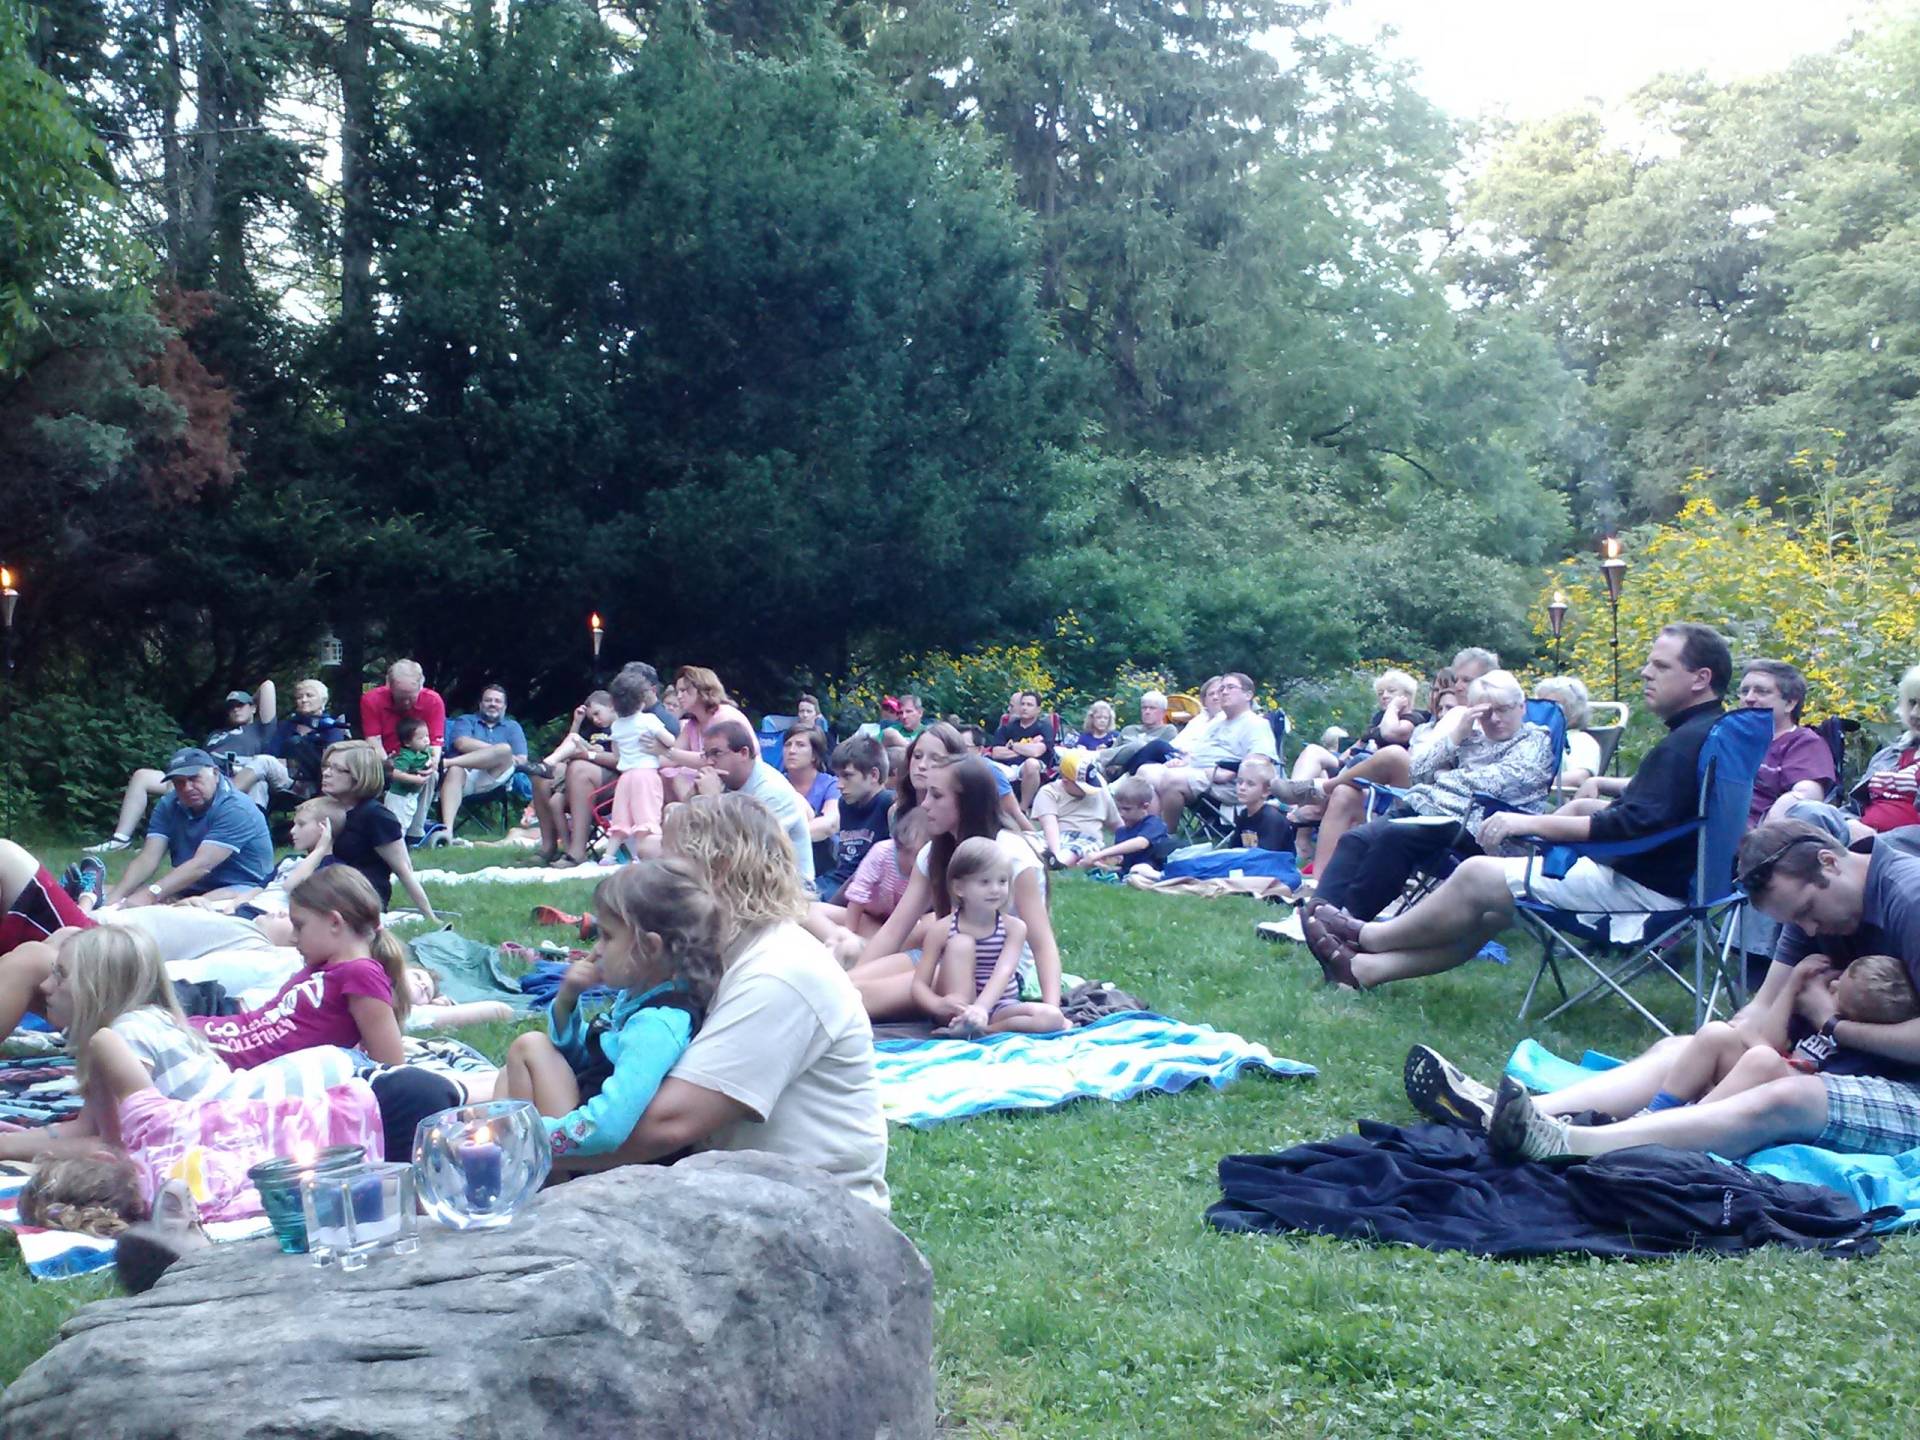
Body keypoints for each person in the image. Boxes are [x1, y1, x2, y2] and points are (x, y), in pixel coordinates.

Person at [1460, 820, 1920, 1164]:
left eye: (1808, 913)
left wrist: (1833, 1023)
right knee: (1693, 1045)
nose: (1810, 929)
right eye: (1797, 921)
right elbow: (1757, 1020)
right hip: (1838, 1064)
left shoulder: (1909, 899)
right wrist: (1721, 1049)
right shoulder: (1809, 903)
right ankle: (1510, 1112)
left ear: (1829, 862)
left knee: (1788, 1098)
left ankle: (1580, 1145)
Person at [1302, 625, 1733, 991]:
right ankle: (1362, 969)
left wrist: (1530, 822)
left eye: (1660, 666)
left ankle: (1365, 936)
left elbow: (1631, 823)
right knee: (1487, 909)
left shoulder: (1685, 743)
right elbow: (1655, 813)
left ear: (1700, 678)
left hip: (1638, 890)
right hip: (1669, 882)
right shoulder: (1711, 733)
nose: (1645, 672)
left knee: (1475, 875)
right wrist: (1582, 804)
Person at [550, 793, 888, 1211]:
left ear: (719, 870)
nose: (653, 876)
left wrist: (528, 1148)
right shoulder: (725, 956)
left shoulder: (779, 973)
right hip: (744, 1194)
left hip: (811, 1214)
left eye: (670, 866)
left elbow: (667, 1124)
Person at [0, 925, 362, 1164]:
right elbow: (89, 1128)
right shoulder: (142, 1022)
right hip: (319, 1075)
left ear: (99, 988)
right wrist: (28, 1138)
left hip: (323, 1085)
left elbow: (115, 1152)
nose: (45, 987)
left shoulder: (125, 1038)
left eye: (60, 975)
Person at [497, 859, 720, 1159]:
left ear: (650, 948)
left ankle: (517, 1161)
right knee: (512, 1068)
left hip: (599, 1161)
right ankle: (509, 1159)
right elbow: (586, 1059)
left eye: (608, 936)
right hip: (581, 1127)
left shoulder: (657, 1025)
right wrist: (567, 1000)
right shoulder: (638, 997)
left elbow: (608, 1127)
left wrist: (533, 1137)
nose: (597, 950)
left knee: (530, 1048)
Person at [1300, 670, 1557, 925]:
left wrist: (1445, 777)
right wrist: (1456, 736)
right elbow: (1418, 772)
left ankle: (1347, 923)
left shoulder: (1535, 742)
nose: (1496, 719)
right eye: (1487, 713)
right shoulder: (1471, 738)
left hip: (1484, 827)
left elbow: (1497, 783)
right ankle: (1314, 917)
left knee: (1395, 838)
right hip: (1432, 812)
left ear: (1521, 707)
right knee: (1355, 839)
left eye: (1504, 710)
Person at [852, 756, 1066, 1023]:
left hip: (990, 975)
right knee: (843, 985)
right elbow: (895, 929)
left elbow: (1042, 942)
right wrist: (858, 972)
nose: (925, 805)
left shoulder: (1011, 854)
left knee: (854, 999)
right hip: (943, 958)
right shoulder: (934, 852)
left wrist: (1053, 1009)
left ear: (967, 803)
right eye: (926, 794)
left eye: (937, 796)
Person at [194, 867, 410, 1070]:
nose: (293, 937)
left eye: (300, 926)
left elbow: (391, 1067)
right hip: (221, 1039)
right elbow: (264, 1023)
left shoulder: (362, 973)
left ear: (335, 922)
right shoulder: (320, 969)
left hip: (229, 1061)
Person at [87, 684, 279, 852]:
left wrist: (252, 703)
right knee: (142, 776)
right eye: (231, 706)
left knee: (183, 785)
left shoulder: (261, 730)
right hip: (196, 777)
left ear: (253, 707)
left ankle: (168, 843)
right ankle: (120, 839)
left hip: (232, 781)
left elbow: (268, 686)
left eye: (241, 705)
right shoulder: (216, 734)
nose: (236, 709)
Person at [912, 837, 1065, 1037]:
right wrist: (937, 1004)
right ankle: (963, 1024)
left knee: (1052, 1016)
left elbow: (1004, 970)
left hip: (999, 1007)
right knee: (961, 943)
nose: (995, 889)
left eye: (1002, 881)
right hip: (957, 1008)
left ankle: (985, 1031)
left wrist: (982, 1009)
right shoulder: (942, 929)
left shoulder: (1014, 928)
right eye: (984, 882)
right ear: (959, 888)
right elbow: (919, 985)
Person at [101, 749, 276, 908]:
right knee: (120, 895)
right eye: (179, 782)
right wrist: (114, 899)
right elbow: (148, 858)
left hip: (244, 887)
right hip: (191, 885)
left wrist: (152, 893)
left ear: (215, 773)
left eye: (194, 778)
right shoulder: (168, 804)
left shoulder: (236, 808)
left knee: (184, 907)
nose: (187, 788)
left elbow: (202, 865)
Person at [315, 740, 441, 922]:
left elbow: (404, 870)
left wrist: (430, 918)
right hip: (330, 889)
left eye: (336, 769)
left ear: (360, 775)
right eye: (326, 767)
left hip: (361, 898)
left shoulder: (376, 816)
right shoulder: (327, 808)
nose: (326, 773)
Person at [1137, 673, 1278, 828]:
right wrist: (1184, 761)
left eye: (1230, 687)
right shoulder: (1218, 721)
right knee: (1145, 771)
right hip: (1196, 771)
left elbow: (1259, 763)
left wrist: (1227, 773)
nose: (1223, 692)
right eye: (1222, 688)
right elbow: (1200, 750)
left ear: (1248, 695)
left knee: (1172, 779)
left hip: (1226, 783)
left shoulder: (1255, 724)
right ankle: (1150, 830)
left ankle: (1166, 834)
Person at [696, 719, 816, 884]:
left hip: (787, 888)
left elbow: (746, 854)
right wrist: (695, 795)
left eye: (716, 753)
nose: (709, 762)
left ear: (744, 753)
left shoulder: (771, 791)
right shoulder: (724, 781)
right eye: (706, 754)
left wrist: (712, 801)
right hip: (744, 882)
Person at [1739, 660, 1836, 826]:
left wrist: (1768, 829)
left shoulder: (1803, 743)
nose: (1749, 698)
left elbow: (1808, 794)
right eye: (1744, 691)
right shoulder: (1728, 737)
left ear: (1790, 703)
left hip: (1759, 836)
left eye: (1761, 692)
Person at [526, 690, 617, 863]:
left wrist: (593, 753)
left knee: (576, 767)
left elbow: (619, 757)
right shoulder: (593, 730)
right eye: (592, 717)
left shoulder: (619, 728)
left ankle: (574, 852)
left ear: (612, 706)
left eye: (598, 713)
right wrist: (577, 721)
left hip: (604, 780)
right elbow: (572, 740)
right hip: (580, 774)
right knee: (542, 780)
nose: (596, 720)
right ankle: (550, 848)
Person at [600, 669, 678, 866]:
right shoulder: (649, 720)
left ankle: (608, 855)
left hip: (626, 777)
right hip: (647, 775)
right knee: (647, 817)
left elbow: (617, 756)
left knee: (622, 817)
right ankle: (642, 855)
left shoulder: (617, 726)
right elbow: (670, 740)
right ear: (642, 699)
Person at [360, 660, 447, 839]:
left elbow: (435, 742)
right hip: (384, 757)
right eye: (400, 697)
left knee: (431, 775)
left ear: (421, 686)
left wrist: (431, 762)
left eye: (411, 697)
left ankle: (415, 832)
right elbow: (373, 740)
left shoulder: (433, 701)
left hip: (418, 757)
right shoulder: (371, 699)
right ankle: (387, 830)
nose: (406, 703)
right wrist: (389, 765)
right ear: (388, 684)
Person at [238, 677, 351, 802]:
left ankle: (228, 794)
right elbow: (272, 754)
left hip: (313, 783)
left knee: (263, 762)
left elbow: (331, 762)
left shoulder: (332, 728)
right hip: (285, 777)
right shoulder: (287, 726)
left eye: (309, 695)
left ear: (323, 700)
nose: (303, 700)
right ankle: (254, 820)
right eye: (299, 697)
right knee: (258, 783)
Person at [654, 666, 756, 804]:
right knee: (663, 775)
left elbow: (713, 760)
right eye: (678, 691)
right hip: (714, 779)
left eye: (684, 691)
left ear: (703, 690)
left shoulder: (724, 716)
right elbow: (671, 760)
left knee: (679, 777)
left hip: (736, 782)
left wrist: (667, 751)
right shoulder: (693, 723)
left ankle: (693, 818)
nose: (679, 696)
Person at [437, 684, 530, 832]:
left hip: (494, 779)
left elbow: (521, 759)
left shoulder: (512, 727)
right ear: (480, 704)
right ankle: (446, 831)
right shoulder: (466, 720)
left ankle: (446, 762)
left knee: (504, 750)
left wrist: (501, 754)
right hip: (464, 775)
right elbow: (461, 743)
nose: (493, 704)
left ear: (504, 706)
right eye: (488, 700)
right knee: (455, 770)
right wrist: (497, 753)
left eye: (498, 701)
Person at [1849, 663, 1920, 837]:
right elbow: (1854, 808)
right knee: (1808, 812)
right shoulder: (1889, 755)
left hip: (1905, 849)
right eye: (1912, 703)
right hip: (1862, 835)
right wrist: (1846, 823)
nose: (1915, 714)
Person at [819, 735, 891, 900]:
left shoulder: (889, 804)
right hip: (836, 880)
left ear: (873, 775)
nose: (839, 785)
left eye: (847, 776)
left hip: (863, 892)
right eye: (837, 777)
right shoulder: (845, 804)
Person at [1033, 752, 1121, 866]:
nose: (1088, 790)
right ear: (1066, 781)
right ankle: (1048, 859)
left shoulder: (1099, 787)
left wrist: (1125, 847)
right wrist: (1055, 851)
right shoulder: (1049, 792)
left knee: (1074, 850)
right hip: (1058, 835)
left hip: (1087, 839)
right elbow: (1050, 826)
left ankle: (1058, 862)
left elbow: (1116, 823)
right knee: (1027, 839)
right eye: (1082, 786)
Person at [1081, 776, 1173, 874]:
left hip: (1168, 867)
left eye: (1127, 809)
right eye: (1119, 808)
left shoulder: (1154, 823)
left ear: (1144, 807)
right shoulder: (1121, 833)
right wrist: (1101, 866)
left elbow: (1141, 843)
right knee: (1135, 872)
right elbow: (1126, 869)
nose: (1121, 814)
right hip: (1138, 872)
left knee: (1139, 869)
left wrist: (1099, 855)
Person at [782, 726, 842, 863]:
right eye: (787, 745)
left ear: (815, 755)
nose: (791, 751)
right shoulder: (774, 782)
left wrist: (779, 838)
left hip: (821, 862)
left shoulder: (831, 785)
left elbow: (830, 823)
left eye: (800, 745)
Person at [988, 691, 1056, 810]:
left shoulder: (1044, 728)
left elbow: (1036, 753)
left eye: (1029, 705)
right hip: (1007, 768)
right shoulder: (1007, 728)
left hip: (1032, 768)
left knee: (1031, 763)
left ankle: (1022, 809)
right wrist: (1028, 746)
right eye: (1023, 704)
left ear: (1038, 709)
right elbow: (996, 753)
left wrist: (1012, 745)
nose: (1025, 708)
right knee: (983, 763)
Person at [1533, 675, 1602, 789]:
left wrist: (1530, 785)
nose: (1544, 711)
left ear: (1574, 711)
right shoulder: (1533, 738)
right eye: (1541, 705)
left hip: (1555, 803)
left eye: (1553, 706)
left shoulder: (1581, 741)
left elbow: (1579, 777)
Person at [1094, 691, 1178, 779]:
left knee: (1140, 745)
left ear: (1163, 712)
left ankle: (1094, 756)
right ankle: (1093, 761)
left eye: (1152, 708)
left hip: (1142, 774)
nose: (1147, 712)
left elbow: (1165, 757)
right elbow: (1112, 754)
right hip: (1114, 774)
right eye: (1144, 708)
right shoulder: (1128, 730)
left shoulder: (1168, 730)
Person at [1229, 753, 1292, 853]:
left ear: (1266, 791)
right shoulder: (1244, 814)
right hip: (1251, 863)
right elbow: (1233, 849)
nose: (1242, 788)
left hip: (1276, 866)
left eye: (1250, 784)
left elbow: (1267, 856)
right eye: (1240, 781)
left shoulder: (1272, 819)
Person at [381, 717, 435, 829]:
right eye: (420, 738)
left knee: (406, 821)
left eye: (427, 736)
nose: (426, 740)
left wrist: (432, 762)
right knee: (398, 824)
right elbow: (396, 773)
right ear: (407, 743)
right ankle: (396, 844)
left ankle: (401, 842)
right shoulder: (405, 756)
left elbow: (432, 754)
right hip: (399, 796)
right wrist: (416, 779)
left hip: (411, 794)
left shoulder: (423, 751)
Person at [880, 693, 926, 777]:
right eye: (901, 713)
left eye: (908, 711)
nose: (904, 716)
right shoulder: (891, 730)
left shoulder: (927, 733)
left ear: (920, 713)